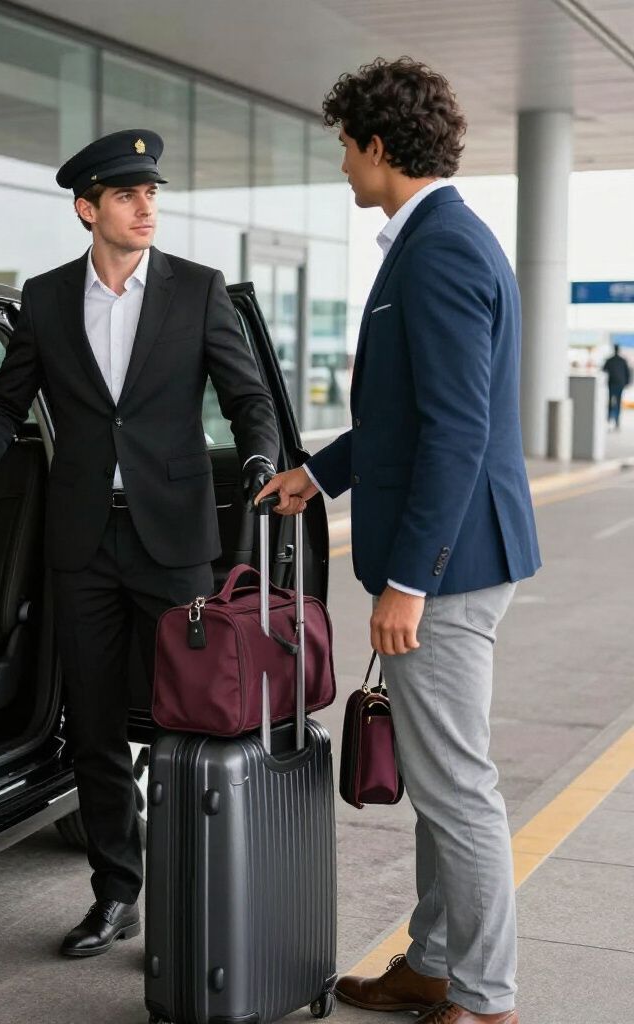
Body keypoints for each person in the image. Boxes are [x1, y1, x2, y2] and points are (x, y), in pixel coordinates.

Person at [0, 129, 281, 958]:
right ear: (89, 209)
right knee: (91, 727)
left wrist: (265, 456)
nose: (146, 207)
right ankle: (115, 895)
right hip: (84, 543)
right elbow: (3, 403)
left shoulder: (197, 291)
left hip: (175, 544)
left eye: (153, 193)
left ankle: (199, 896)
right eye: (128, 195)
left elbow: (248, 396)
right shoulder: (47, 298)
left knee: (188, 725)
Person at [257, 58, 541, 1024]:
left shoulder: (442, 249)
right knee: (435, 775)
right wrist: (319, 473)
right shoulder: (430, 240)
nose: (341, 163)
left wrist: (410, 583)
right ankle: (430, 964)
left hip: (451, 569)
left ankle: (487, 998)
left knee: (458, 788)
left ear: (380, 147)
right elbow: (406, 416)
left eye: (345, 145)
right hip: (455, 559)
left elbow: (458, 429)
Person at [603, 344, 631, 430]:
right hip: (619, 384)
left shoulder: (609, 360)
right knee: (618, 402)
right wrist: (626, 382)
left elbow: (603, 370)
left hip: (612, 383)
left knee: (611, 401)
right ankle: (616, 420)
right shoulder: (623, 360)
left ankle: (609, 418)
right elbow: (628, 373)